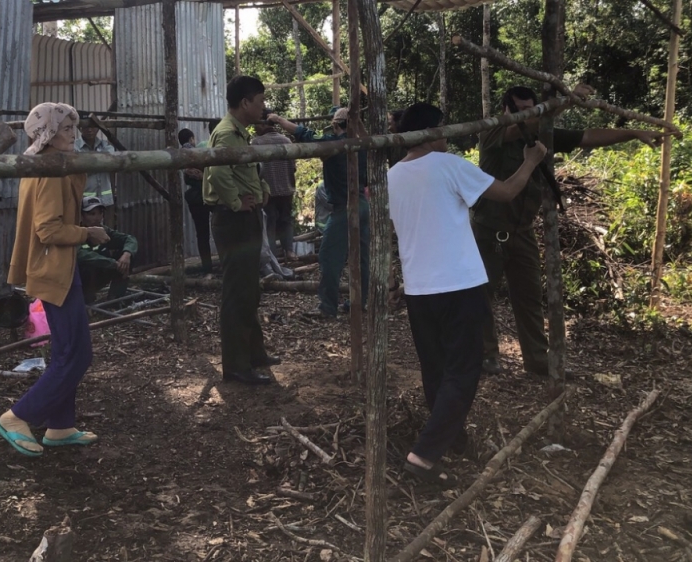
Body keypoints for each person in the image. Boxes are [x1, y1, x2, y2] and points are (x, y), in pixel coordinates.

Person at [388, 102, 546, 485]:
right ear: (430, 133)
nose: (446, 136)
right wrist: (531, 160)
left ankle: (452, 438)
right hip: (458, 283)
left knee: (436, 368)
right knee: (463, 369)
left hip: (419, 287)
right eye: (441, 129)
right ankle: (424, 456)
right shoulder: (449, 165)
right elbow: (507, 192)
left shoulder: (391, 176)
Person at [474, 85, 666, 378]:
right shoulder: (492, 133)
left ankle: (538, 362)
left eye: (531, 108)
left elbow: (588, 136)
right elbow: (526, 125)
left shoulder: (543, 133)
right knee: (481, 296)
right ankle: (485, 356)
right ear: (506, 110)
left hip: (522, 232)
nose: (526, 115)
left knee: (529, 297)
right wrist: (563, 104)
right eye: (520, 110)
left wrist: (634, 133)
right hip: (489, 232)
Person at [0, 102, 110, 457]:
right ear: (46, 135)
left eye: (74, 129)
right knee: (77, 354)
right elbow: (47, 230)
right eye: (65, 129)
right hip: (52, 267)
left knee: (65, 350)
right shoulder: (48, 171)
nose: (73, 135)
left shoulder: (49, 165)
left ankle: (60, 426)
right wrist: (88, 232)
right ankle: (16, 416)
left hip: (60, 266)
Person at [204, 76, 280, 385]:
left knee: (249, 289)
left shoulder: (239, 134)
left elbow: (247, 170)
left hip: (243, 219)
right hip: (233, 221)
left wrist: (261, 188)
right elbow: (219, 174)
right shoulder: (226, 134)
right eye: (260, 100)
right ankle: (236, 366)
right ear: (245, 102)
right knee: (237, 292)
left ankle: (254, 354)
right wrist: (236, 203)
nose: (263, 107)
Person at [268, 108, 369, 319]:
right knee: (361, 258)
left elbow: (304, 133)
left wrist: (278, 119)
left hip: (344, 208)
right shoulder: (364, 144)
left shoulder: (335, 144)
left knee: (328, 257)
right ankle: (360, 302)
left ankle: (328, 307)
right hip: (362, 205)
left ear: (335, 125)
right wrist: (358, 123)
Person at [251, 114, 297, 260]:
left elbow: (254, 170)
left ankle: (272, 256)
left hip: (267, 192)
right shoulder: (287, 141)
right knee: (286, 220)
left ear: (264, 124)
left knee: (269, 223)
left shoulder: (256, 143)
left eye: (257, 124)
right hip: (287, 188)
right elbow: (293, 167)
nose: (254, 127)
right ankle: (289, 251)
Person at [77, 196, 139, 303]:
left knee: (126, 257)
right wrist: (113, 263)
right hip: (82, 281)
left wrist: (127, 254)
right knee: (87, 267)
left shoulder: (104, 230)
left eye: (100, 213)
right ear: (82, 216)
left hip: (101, 273)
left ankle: (115, 299)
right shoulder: (76, 233)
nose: (97, 218)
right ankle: (86, 301)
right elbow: (82, 255)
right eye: (92, 214)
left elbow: (129, 239)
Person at [179, 128, 214, 274]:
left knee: (202, 233)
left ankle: (207, 267)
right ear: (192, 139)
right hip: (208, 194)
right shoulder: (198, 152)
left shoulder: (181, 154)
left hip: (194, 198)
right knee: (219, 227)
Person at [76, 120, 118, 224]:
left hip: (103, 197)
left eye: (93, 127)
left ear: (98, 128)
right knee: (82, 225)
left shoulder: (105, 145)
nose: (89, 130)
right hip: (84, 198)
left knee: (101, 227)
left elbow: (112, 162)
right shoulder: (75, 147)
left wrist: (90, 163)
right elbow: (80, 167)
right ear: (80, 129)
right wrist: (101, 162)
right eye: (86, 127)